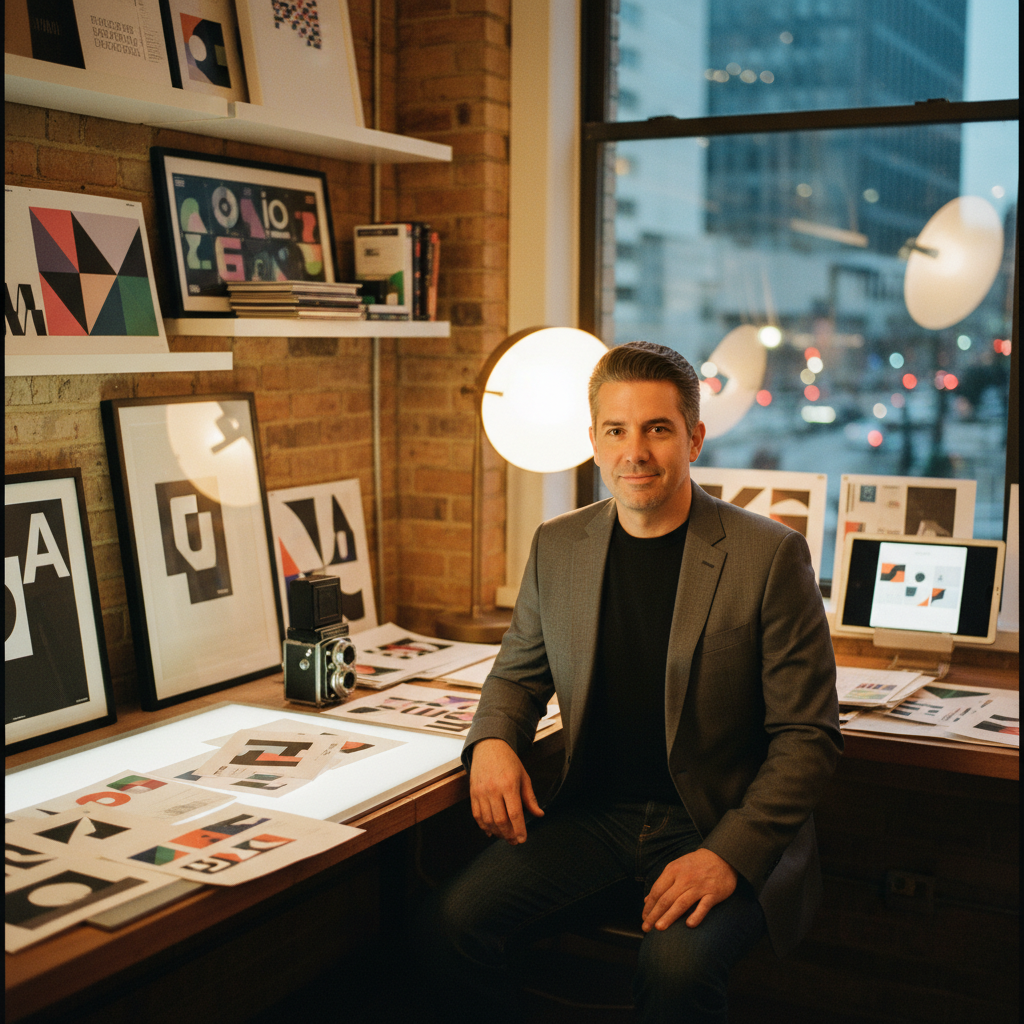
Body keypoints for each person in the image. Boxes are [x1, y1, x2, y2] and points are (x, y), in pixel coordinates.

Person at [421, 341, 842, 1023]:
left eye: (657, 428)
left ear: (694, 438)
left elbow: (808, 739)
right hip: (594, 819)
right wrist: (493, 740)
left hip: (714, 819)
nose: (635, 451)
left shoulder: (768, 556)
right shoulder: (558, 546)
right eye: (616, 430)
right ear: (592, 441)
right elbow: (516, 676)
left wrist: (728, 855)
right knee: (450, 923)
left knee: (674, 970)